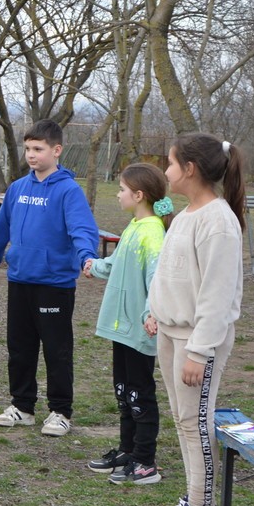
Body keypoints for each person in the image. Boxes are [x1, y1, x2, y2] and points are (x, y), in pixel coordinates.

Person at [0, 120, 100, 437]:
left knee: (56, 350)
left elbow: (82, 230)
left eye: (38, 149)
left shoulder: (69, 191)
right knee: (20, 348)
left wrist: (86, 256)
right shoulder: (17, 189)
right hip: (20, 281)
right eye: (27, 148)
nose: (31, 154)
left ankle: (60, 411)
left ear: (56, 150)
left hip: (54, 285)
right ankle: (23, 407)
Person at [146, 132, 245, 506]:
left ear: (189, 170)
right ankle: (193, 498)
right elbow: (169, 265)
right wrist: (154, 310)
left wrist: (200, 352)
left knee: (196, 424)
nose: (165, 171)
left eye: (170, 164)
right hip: (170, 332)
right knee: (183, 420)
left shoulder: (219, 223)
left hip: (196, 342)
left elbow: (217, 297)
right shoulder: (185, 213)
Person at [82, 163, 171, 486]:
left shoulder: (153, 233)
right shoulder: (135, 225)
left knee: (140, 393)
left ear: (138, 195)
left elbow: (157, 278)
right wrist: (96, 266)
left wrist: (152, 313)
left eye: (121, 189)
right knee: (123, 390)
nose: (117, 194)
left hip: (139, 329)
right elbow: (119, 263)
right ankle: (127, 450)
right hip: (121, 327)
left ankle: (145, 461)